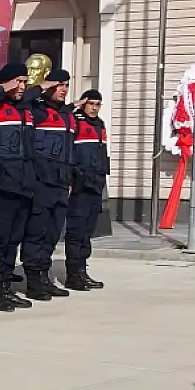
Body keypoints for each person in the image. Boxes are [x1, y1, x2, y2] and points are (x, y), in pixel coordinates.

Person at [0, 62, 34, 311]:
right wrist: (3, 88)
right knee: (0, 240)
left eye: (25, 82)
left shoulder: (25, 109)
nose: (22, 87)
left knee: (13, 240)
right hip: (4, 183)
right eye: (19, 82)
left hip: (24, 183)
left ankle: (5, 287)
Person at [22, 68, 75, 301]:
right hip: (41, 183)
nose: (63, 89)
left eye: (66, 85)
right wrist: (40, 88)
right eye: (58, 85)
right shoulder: (35, 110)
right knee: (36, 233)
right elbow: (20, 101)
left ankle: (44, 276)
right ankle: (33, 280)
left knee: (53, 233)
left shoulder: (67, 115)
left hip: (61, 184)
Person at [65, 89, 112, 292]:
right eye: (91, 103)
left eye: (97, 104)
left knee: (87, 232)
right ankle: (73, 274)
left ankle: (82, 270)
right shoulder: (74, 121)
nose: (94, 107)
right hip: (80, 185)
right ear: (83, 104)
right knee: (76, 231)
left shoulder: (100, 124)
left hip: (96, 183)